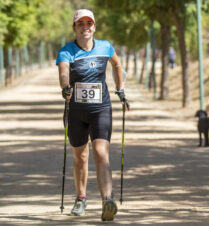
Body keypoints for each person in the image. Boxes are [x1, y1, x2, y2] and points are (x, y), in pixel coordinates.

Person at [56, 9, 129, 221]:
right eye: (81, 23)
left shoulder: (105, 46)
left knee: (100, 152)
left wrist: (120, 89)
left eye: (89, 23)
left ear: (94, 26)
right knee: (81, 156)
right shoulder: (66, 51)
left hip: (101, 108)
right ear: (75, 28)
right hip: (76, 111)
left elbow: (116, 64)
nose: (85, 27)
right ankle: (81, 198)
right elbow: (63, 72)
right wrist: (65, 87)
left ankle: (108, 200)